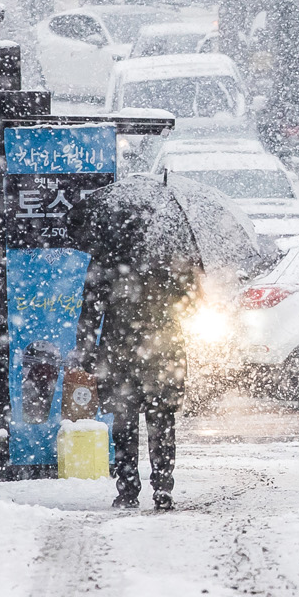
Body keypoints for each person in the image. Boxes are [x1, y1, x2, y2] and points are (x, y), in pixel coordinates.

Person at [70, 179, 204, 511]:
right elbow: (191, 305)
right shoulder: (173, 255)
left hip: (118, 350)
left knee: (124, 422)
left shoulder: (106, 256)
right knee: (161, 421)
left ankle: (128, 490)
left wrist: (85, 351)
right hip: (164, 350)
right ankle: (163, 488)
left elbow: (89, 310)